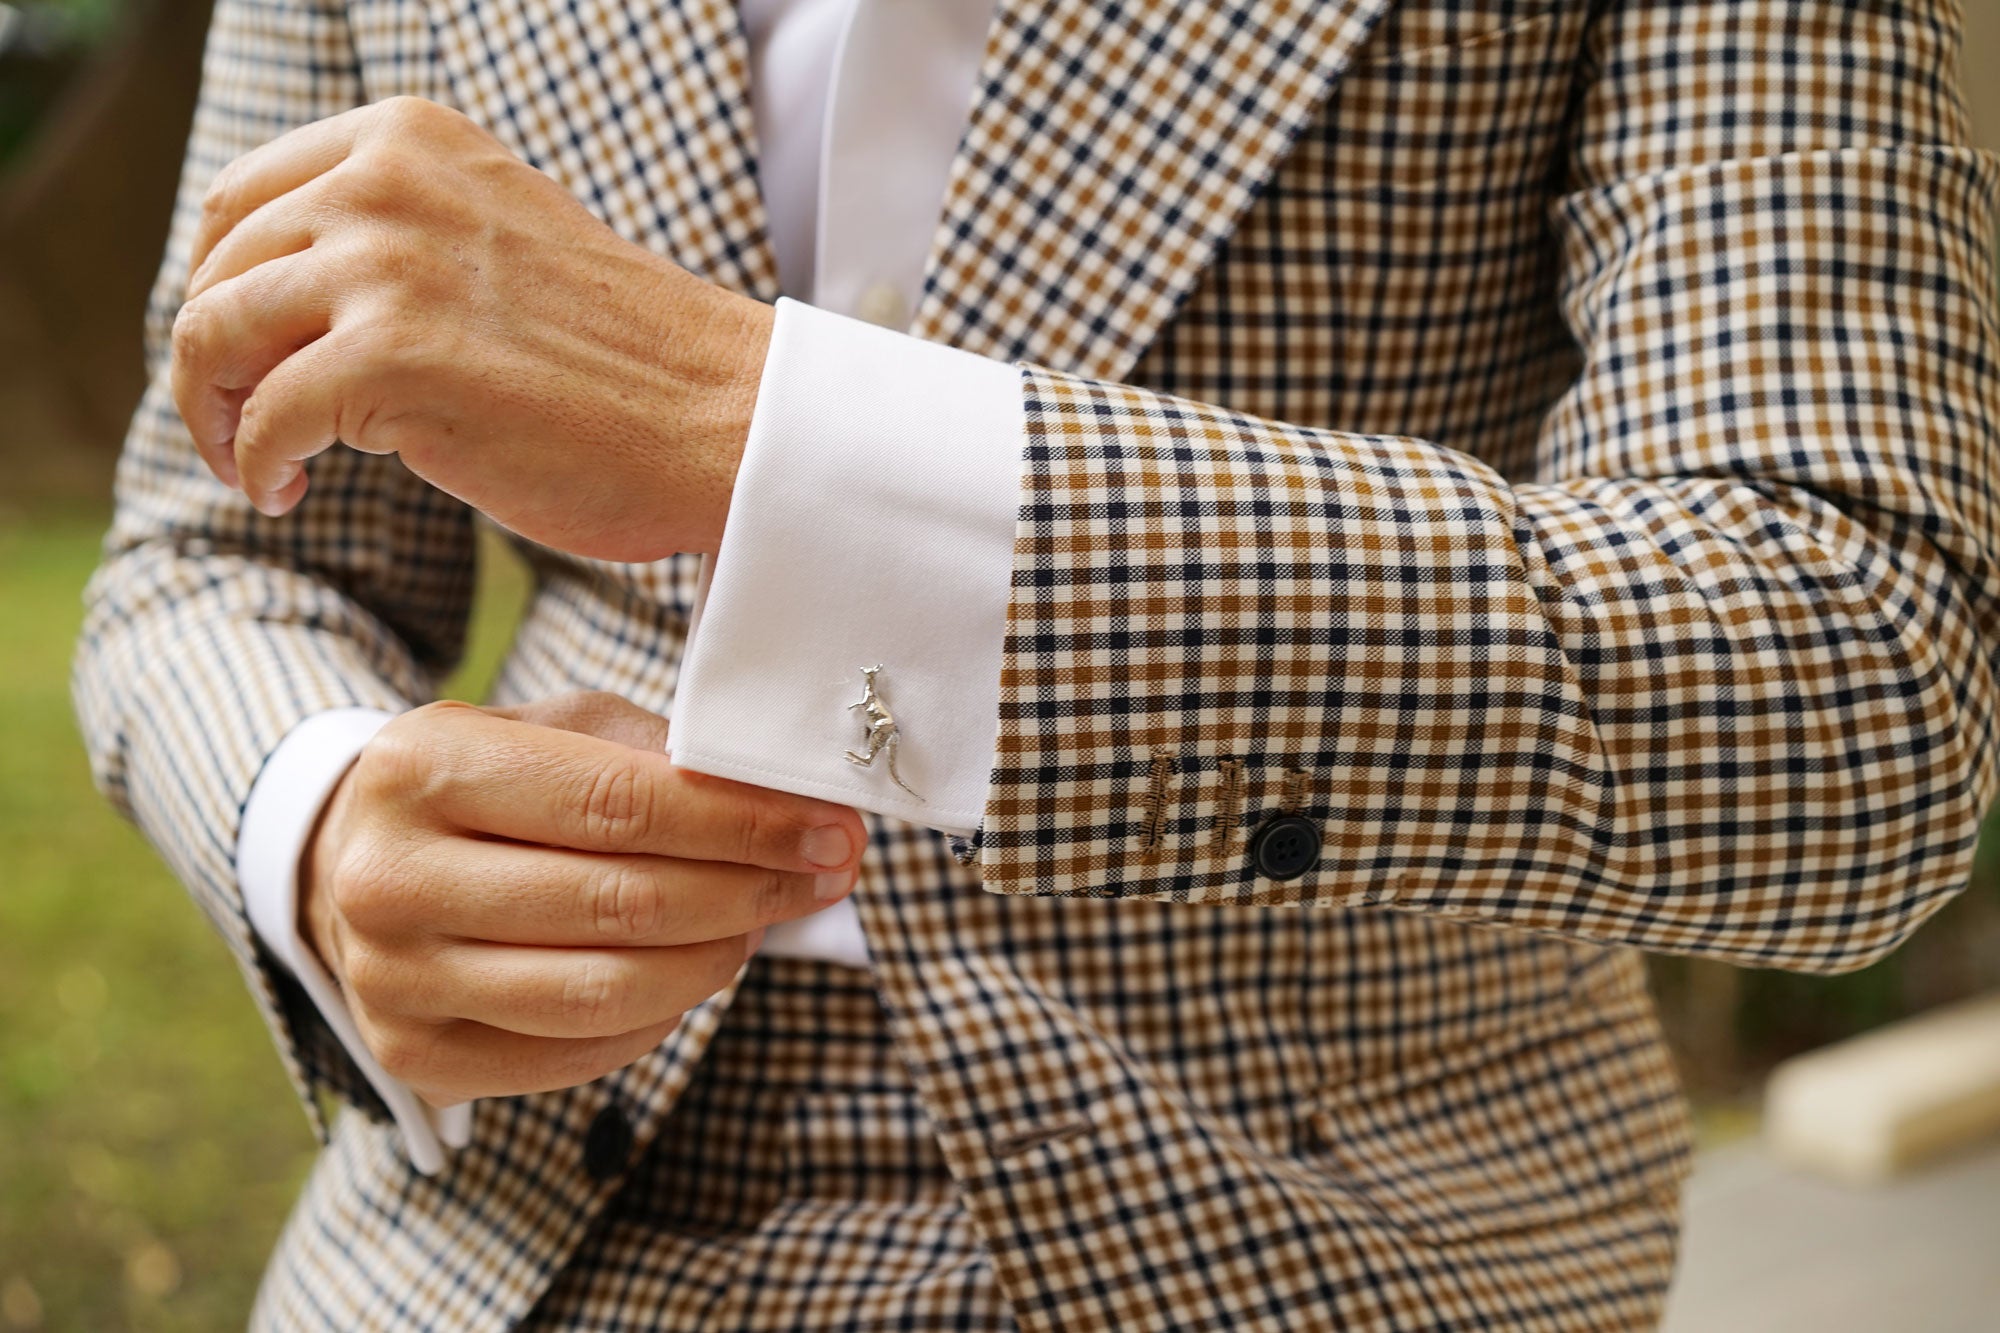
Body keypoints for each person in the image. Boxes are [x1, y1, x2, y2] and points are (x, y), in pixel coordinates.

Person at [74, 0, 1999, 1327]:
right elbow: (209, 545)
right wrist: (315, 820)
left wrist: (760, 428)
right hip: (497, 1224)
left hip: (1338, 1220)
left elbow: (1856, 668)